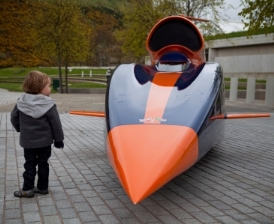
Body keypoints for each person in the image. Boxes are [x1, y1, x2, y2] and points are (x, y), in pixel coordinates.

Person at [11, 70, 64, 198]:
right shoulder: (49, 104)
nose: (50, 88)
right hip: (45, 142)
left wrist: (21, 129)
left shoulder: (21, 102)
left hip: (28, 142)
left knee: (29, 164)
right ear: (41, 89)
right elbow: (55, 123)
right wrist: (58, 139)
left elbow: (14, 118)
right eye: (48, 86)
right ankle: (42, 187)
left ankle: (27, 189)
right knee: (43, 164)